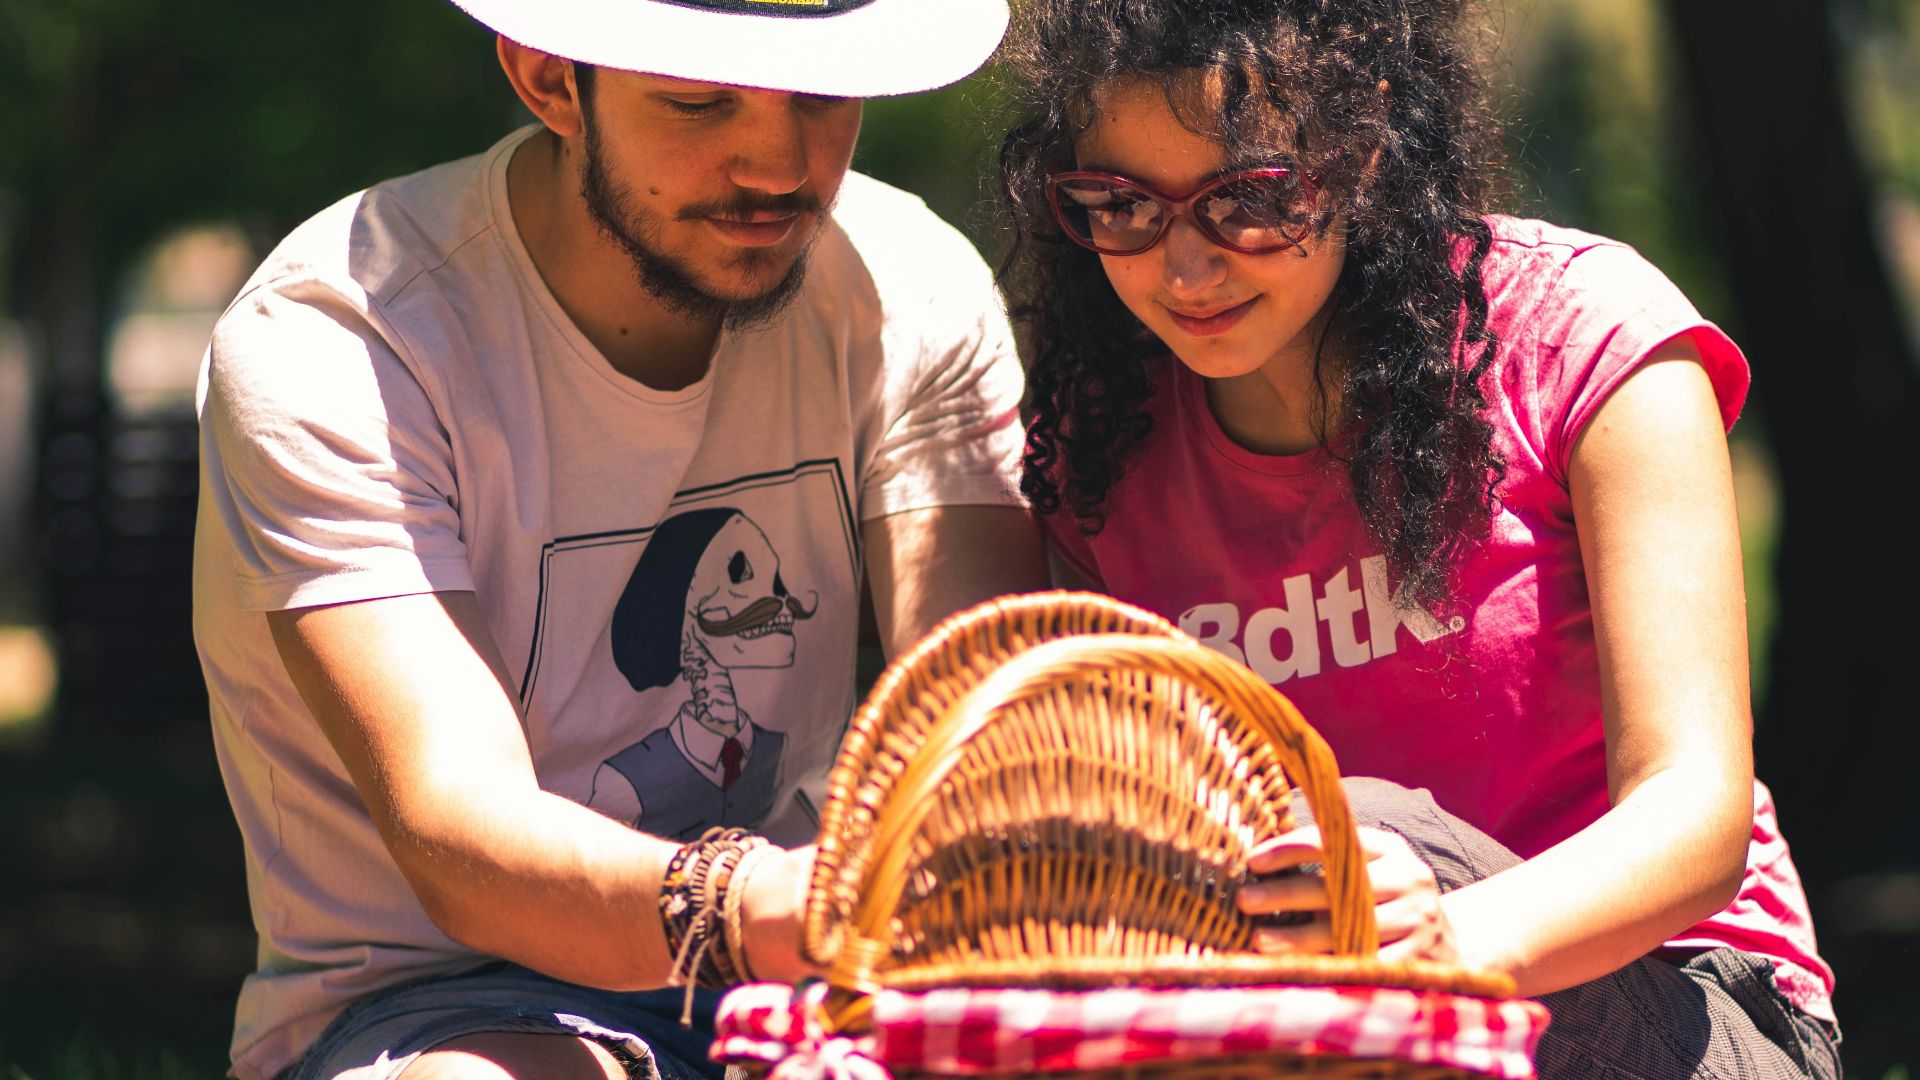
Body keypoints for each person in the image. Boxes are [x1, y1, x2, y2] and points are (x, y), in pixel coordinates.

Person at [192, 0, 1044, 1077]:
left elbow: (979, 729)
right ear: (550, 79)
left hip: (818, 977)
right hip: (445, 1004)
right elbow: (461, 834)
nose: (778, 162)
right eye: (700, 99)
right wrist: (754, 905)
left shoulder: (909, 288)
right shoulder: (343, 339)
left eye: (825, 96)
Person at [995, 1, 1837, 1076]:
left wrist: (1448, 943)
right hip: (1318, 1013)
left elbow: (1695, 815)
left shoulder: (1591, 341)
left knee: (1347, 834)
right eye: (1119, 206)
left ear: (1361, 146)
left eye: (1248, 200)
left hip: (1686, 1007)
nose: (1185, 269)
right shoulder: (1098, 452)